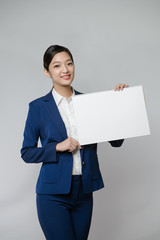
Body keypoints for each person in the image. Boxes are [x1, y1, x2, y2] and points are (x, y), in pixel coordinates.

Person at [20, 44, 129, 240]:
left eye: (69, 63)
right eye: (57, 66)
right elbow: (26, 152)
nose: (65, 70)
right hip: (52, 194)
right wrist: (57, 147)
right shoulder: (38, 107)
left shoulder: (91, 103)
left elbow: (116, 141)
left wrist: (119, 104)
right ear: (46, 72)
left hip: (83, 191)